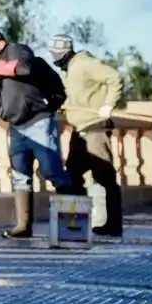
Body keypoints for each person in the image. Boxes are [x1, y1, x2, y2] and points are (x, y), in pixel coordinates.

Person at [0, 28, 74, 239]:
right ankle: (23, 226)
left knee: (53, 171)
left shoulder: (17, 51)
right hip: (16, 128)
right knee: (20, 176)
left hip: (38, 121)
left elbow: (25, 68)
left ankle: (71, 225)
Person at [47, 33, 125, 237]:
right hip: (79, 128)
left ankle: (113, 225)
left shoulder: (85, 63)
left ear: (63, 54)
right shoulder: (71, 71)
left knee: (105, 176)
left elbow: (114, 78)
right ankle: (76, 226)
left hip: (95, 126)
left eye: (56, 55)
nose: (54, 59)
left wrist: (108, 105)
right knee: (72, 175)